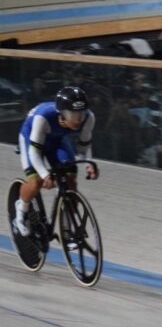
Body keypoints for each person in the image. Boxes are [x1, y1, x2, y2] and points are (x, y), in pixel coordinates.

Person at [13, 87, 99, 236]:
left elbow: (84, 147)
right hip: (31, 139)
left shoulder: (89, 118)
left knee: (70, 181)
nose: (78, 119)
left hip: (57, 140)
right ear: (62, 114)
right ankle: (21, 210)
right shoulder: (43, 117)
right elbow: (34, 152)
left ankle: (66, 229)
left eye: (81, 113)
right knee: (36, 182)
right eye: (73, 114)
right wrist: (45, 175)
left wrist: (88, 163)